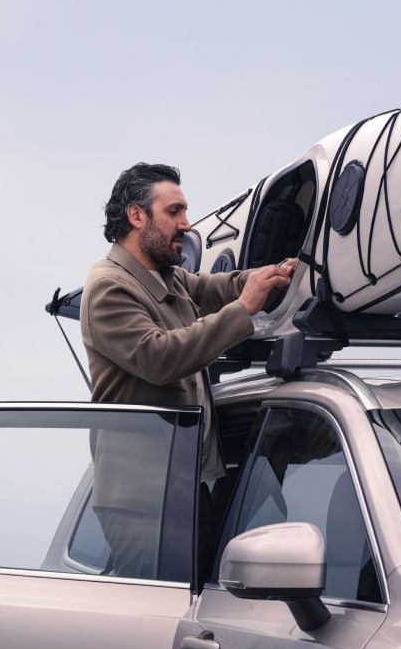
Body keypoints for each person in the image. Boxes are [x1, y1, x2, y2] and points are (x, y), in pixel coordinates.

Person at [81, 161, 296, 578]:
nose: (186, 222)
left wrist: (280, 274)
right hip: (142, 501)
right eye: (174, 211)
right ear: (137, 215)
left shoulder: (168, 278)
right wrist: (244, 309)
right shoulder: (110, 286)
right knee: (153, 623)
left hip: (183, 487)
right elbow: (160, 358)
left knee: (189, 613)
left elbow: (222, 287)